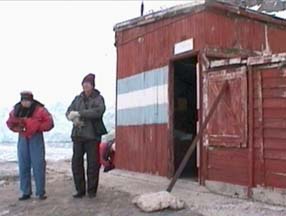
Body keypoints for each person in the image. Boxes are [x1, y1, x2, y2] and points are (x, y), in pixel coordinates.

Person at [6, 91, 54, 201]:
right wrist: (17, 128)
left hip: (36, 138)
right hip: (23, 138)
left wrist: (37, 126)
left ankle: (40, 192)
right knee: (23, 165)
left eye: (27, 100)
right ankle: (25, 191)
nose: (25, 103)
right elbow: (9, 123)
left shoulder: (40, 109)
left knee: (38, 165)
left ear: (31, 100)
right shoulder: (16, 110)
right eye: (23, 100)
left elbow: (50, 123)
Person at [66, 73, 107, 198]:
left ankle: (92, 191)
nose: (85, 86)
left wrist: (79, 113)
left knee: (93, 164)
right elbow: (68, 111)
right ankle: (80, 190)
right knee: (76, 164)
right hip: (78, 136)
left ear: (92, 86)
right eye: (84, 84)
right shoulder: (77, 99)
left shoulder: (98, 98)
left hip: (92, 136)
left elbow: (98, 112)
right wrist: (72, 118)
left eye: (87, 84)